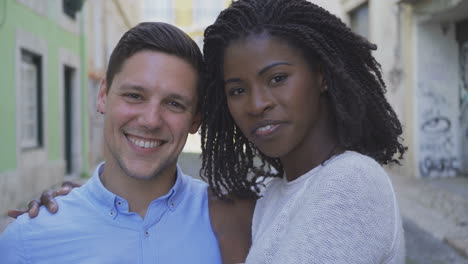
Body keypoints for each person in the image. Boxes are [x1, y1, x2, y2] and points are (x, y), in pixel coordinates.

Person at [0, 22, 253, 263]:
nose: (151, 120)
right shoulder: (29, 241)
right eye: (134, 96)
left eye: (174, 103)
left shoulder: (234, 222)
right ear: (102, 96)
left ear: (196, 119)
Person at [199, 0, 407, 263]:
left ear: (321, 75)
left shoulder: (351, 180)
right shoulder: (273, 193)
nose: (257, 104)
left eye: (277, 78)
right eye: (238, 90)